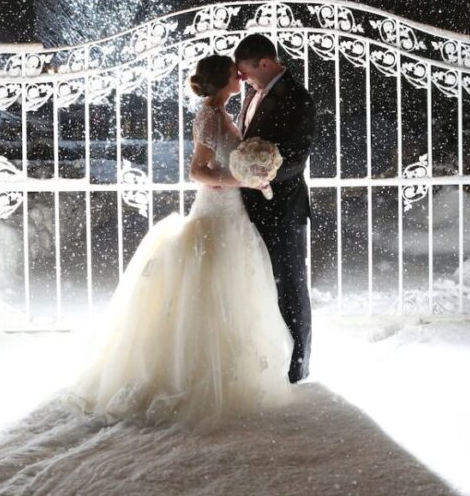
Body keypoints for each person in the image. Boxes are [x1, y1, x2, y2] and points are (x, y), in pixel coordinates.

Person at [70, 55, 293, 426]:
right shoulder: (208, 114)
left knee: (233, 292)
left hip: (232, 211)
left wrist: (250, 171)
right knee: (209, 293)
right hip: (214, 211)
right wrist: (244, 180)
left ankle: (232, 371)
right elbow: (197, 171)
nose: (241, 76)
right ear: (224, 80)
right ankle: (194, 377)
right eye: (234, 73)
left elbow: (224, 161)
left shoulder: (221, 111)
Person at [233, 33, 316, 384]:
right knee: (261, 285)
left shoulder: (297, 98)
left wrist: (263, 173)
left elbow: (296, 157)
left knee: (290, 287)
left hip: (282, 208)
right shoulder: (253, 93)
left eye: (246, 73)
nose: (243, 81)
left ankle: (298, 366)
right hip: (251, 208)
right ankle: (268, 358)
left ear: (264, 64)